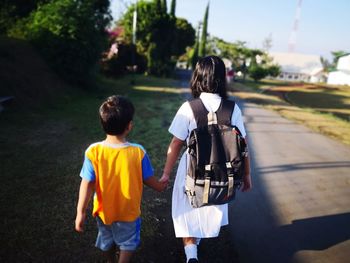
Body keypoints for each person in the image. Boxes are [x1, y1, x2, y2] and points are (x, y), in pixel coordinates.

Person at [160, 56, 252, 263]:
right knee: (208, 209)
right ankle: (195, 247)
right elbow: (243, 146)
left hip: (191, 170)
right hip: (221, 172)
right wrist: (246, 175)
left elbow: (176, 143)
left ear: (198, 77)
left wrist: (166, 173)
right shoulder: (232, 109)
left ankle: (191, 254)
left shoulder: (189, 108)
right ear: (222, 78)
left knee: (187, 211)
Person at [75, 95, 167, 263]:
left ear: (103, 123)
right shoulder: (138, 152)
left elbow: (87, 183)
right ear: (129, 126)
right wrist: (161, 186)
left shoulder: (93, 151)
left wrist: (80, 212)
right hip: (128, 213)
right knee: (128, 243)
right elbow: (148, 178)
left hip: (103, 212)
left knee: (106, 239)